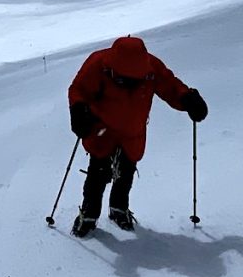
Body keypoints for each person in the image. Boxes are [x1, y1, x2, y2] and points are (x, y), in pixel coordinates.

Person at [67, 35, 208, 236]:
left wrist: (187, 98)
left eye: (135, 80)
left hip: (132, 132)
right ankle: (88, 214)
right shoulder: (97, 63)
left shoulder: (152, 68)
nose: (129, 85)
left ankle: (118, 209)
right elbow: (78, 89)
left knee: (126, 172)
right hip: (101, 130)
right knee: (98, 173)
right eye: (123, 80)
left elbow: (170, 86)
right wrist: (79, 110)